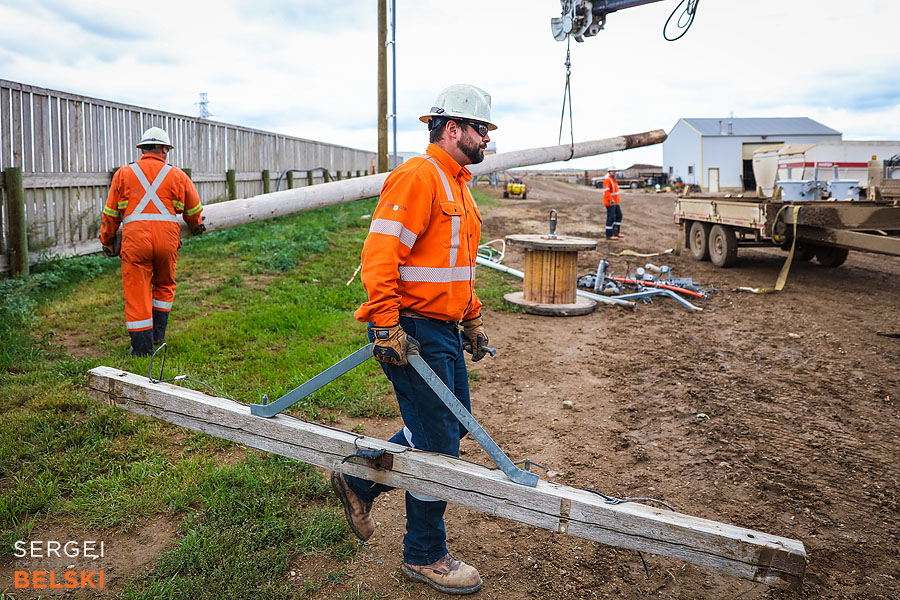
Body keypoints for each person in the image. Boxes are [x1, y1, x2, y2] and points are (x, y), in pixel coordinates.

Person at [330, 84, 495, 595]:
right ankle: (424, 554)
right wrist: (384, 323)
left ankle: (357, 480)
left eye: (487, 131)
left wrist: (470, 317)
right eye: (481, 129)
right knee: (440, 443)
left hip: (443, 328)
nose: (486, 138)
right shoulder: (418, 177)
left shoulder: (458, 186)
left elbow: (456, 266)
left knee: (453, 426)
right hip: (413, 329)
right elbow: (381, 252)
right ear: (452, 128)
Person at [99, 127, 205, 357]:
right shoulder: (177, 175)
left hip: (135, 240)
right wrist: (196, 225)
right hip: (167, 240)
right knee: (164, 285)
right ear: (165, 149)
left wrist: (107, 240)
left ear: (142, 149)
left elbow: (110, 214)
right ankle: (158, 335)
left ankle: (142, 349)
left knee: (137, 292)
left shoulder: (124, 174)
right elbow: (194, 208)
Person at [603, 168, 624, 240]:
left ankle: (616, 232)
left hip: (615, 202)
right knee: (610, 218)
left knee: (619, 215)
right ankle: (609, 235)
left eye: (615, 171)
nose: (614, 172)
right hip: (610, 203)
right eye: (613, 171)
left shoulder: (613, 180)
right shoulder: (607, 180)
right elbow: (607, 192)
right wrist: (611, 200)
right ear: (609, 172)